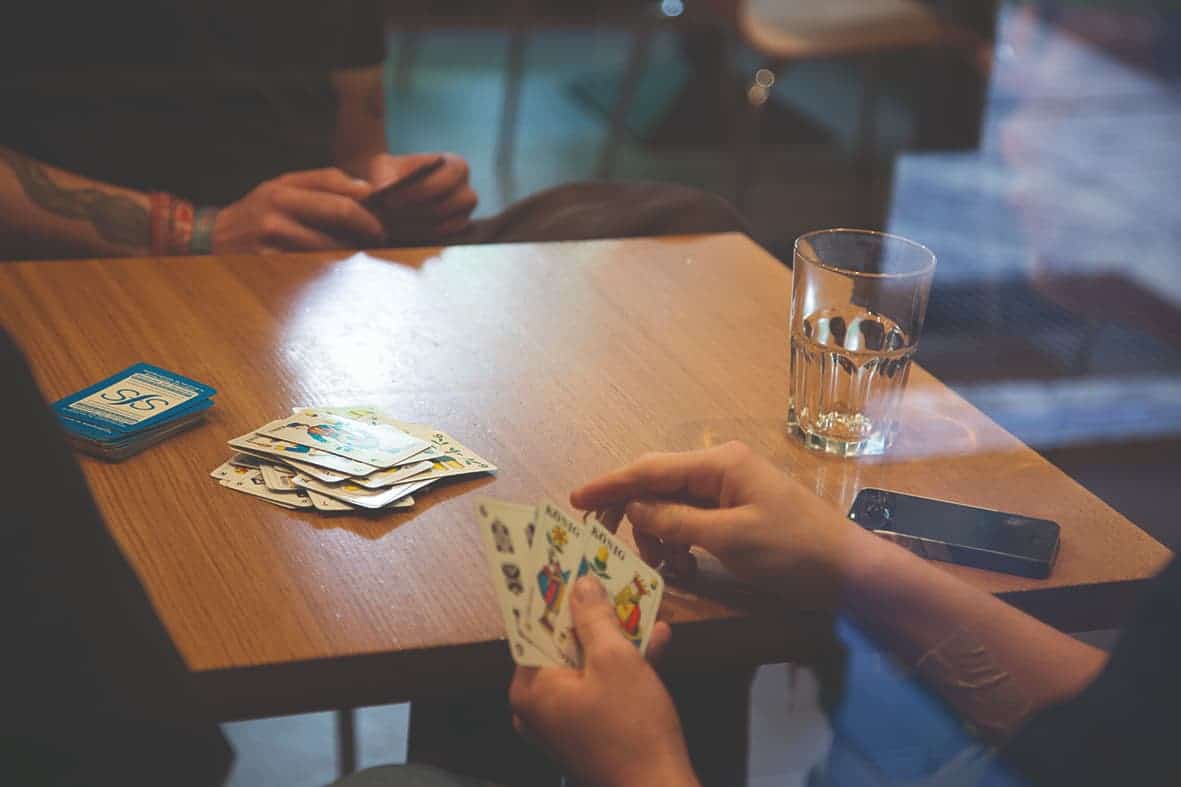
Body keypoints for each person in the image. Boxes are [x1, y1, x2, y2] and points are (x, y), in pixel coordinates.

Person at [0, 1, 743, 262]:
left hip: (311, 266)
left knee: (687, 229)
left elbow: (358, 155)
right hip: (105, 267)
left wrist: (394, 194)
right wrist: (203, 232)